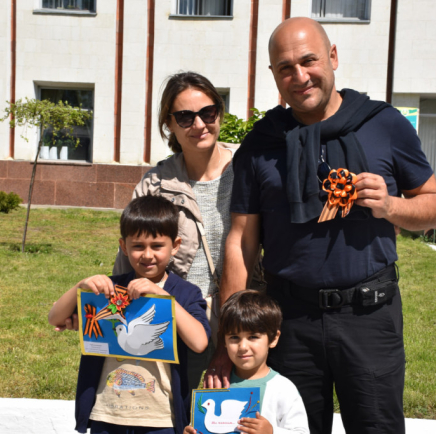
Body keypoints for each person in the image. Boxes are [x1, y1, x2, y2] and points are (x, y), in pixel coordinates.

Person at [205, 17, 436, 434]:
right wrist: (231, 337)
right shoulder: (262, 144)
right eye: (285, 68)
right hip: (289, 323)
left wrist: (390, 206)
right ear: (273, 74)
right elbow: (241, 242)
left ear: (333, 56)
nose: (300, 77)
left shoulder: (384, 124)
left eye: (309, 61)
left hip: (370, 316)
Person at [58, 71, 254, 391]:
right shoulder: (156, 184)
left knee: (233, 409)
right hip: (176, 315)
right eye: (185, 117)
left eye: (208, 112)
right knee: (174, 406)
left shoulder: (249, 169)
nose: (199, 124)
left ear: (219, 113)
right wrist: (103, 308)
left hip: (242, 318)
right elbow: (129, 259)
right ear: (169, 124)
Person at [48, 195, 210, 434]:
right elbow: (54, 318)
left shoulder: (185, 293)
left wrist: (162, 296)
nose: (147, 255)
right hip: (107, 414)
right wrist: (81, 286)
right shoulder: (109, 290)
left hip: (161, 418)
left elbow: (199, 342)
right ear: (124, 246)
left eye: (157, 246)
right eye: (138, 246)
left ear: (175, 246)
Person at [185, 290, 309, 434]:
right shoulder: (217, 384)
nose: (243, 347)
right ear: (223, 340)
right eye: (234, 337)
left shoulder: (283, 388)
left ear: (273, 338)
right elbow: (203, 424)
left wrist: (271, 432)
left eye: (253, 337)